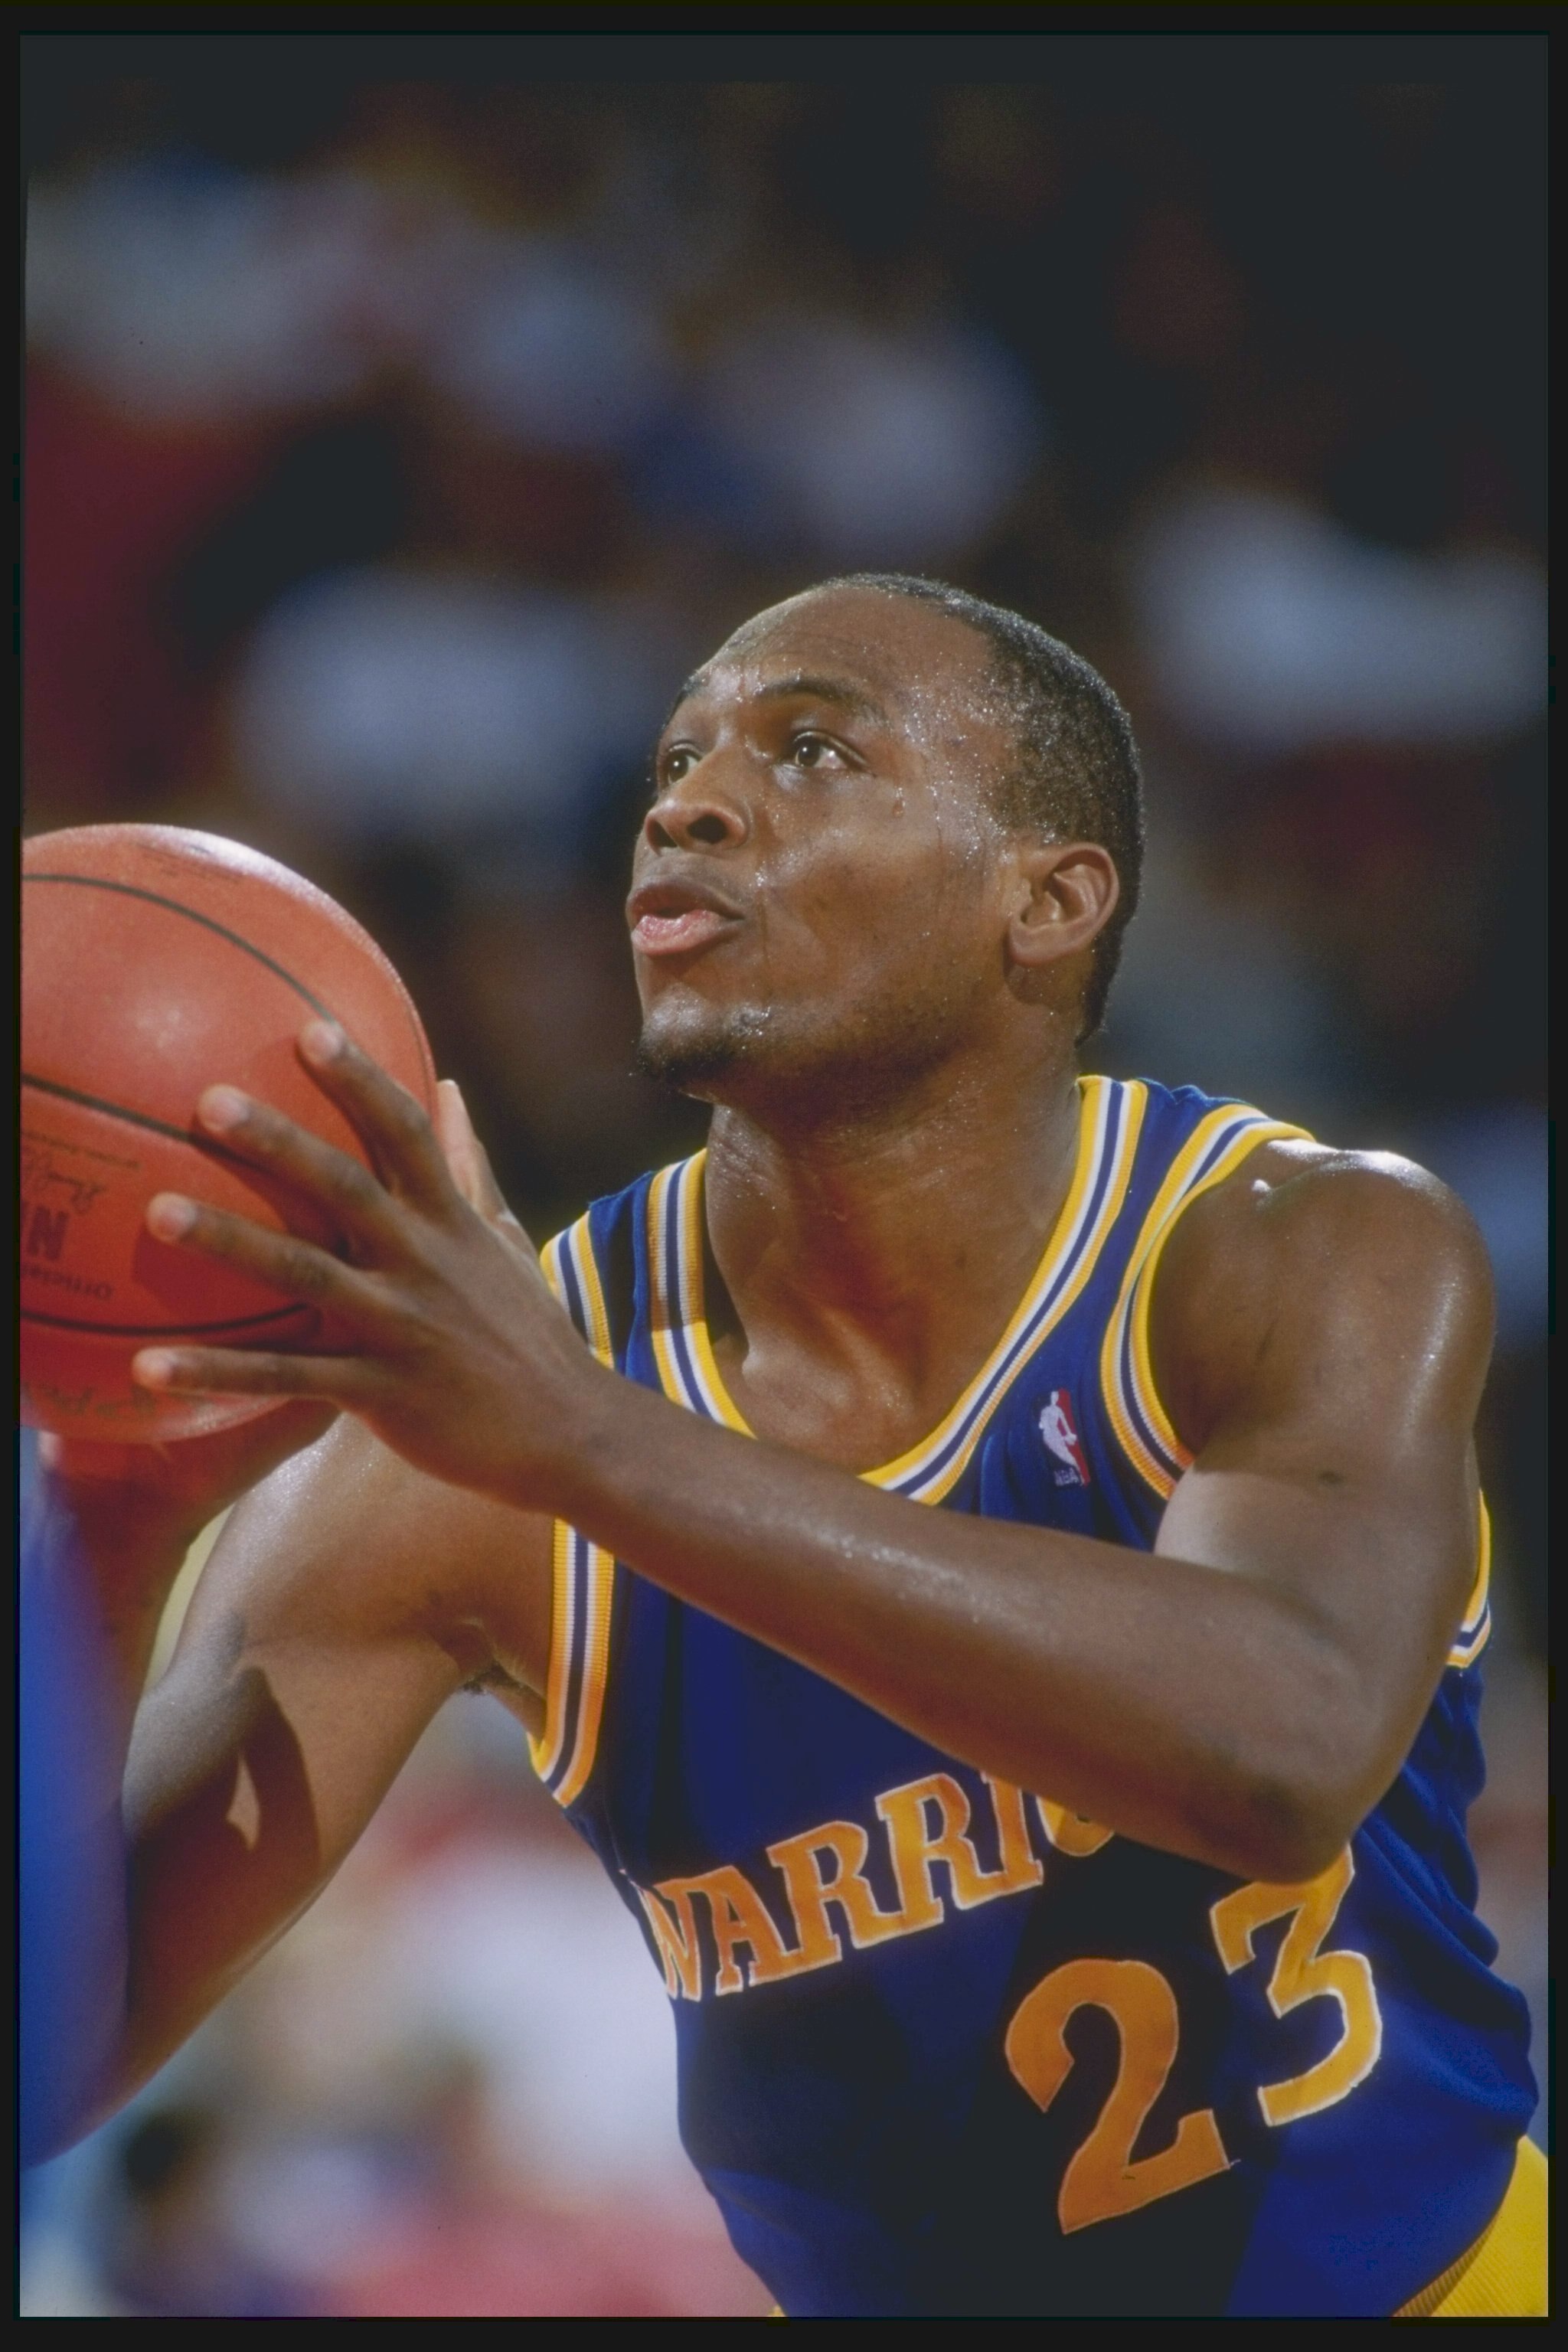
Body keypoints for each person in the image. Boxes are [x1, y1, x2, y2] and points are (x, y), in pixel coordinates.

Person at [35, 577, 1543, 2317]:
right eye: (675, 760)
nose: (684, 802)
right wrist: (123, 1509)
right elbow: (51, 2058)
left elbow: (1281, 1748)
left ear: (1042, 903)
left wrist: (591, 1448)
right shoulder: (474, 1434)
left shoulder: (1285, 1249)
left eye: (808, 748)